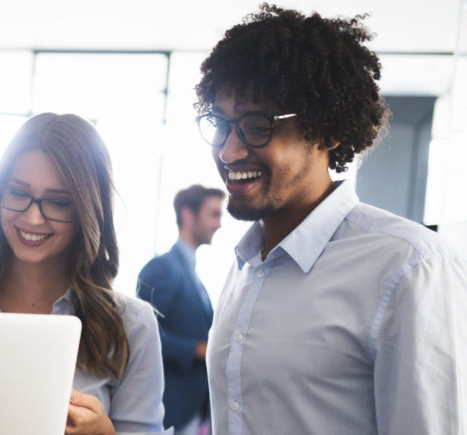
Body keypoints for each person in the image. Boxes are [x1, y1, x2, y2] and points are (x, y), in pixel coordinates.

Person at [195, 4, 467, 434]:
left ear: (328, 129)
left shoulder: (409, 267)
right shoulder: (245, 266)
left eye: (256, 125)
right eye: (221, 125)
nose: (229, 151)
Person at [0, 113, 168, 435]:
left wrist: (105, 433)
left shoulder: (132, 325)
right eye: (18, 193)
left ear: (88, 211)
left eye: (58, 202)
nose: (32, 219)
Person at [136, 184, 222, 435]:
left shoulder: (194, 275)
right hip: (170, 411)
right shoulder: (161, 268)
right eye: (214, 214)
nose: (219, 224)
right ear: (187, 214)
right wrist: (202, 349)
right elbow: (144, 336)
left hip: (196, 411)